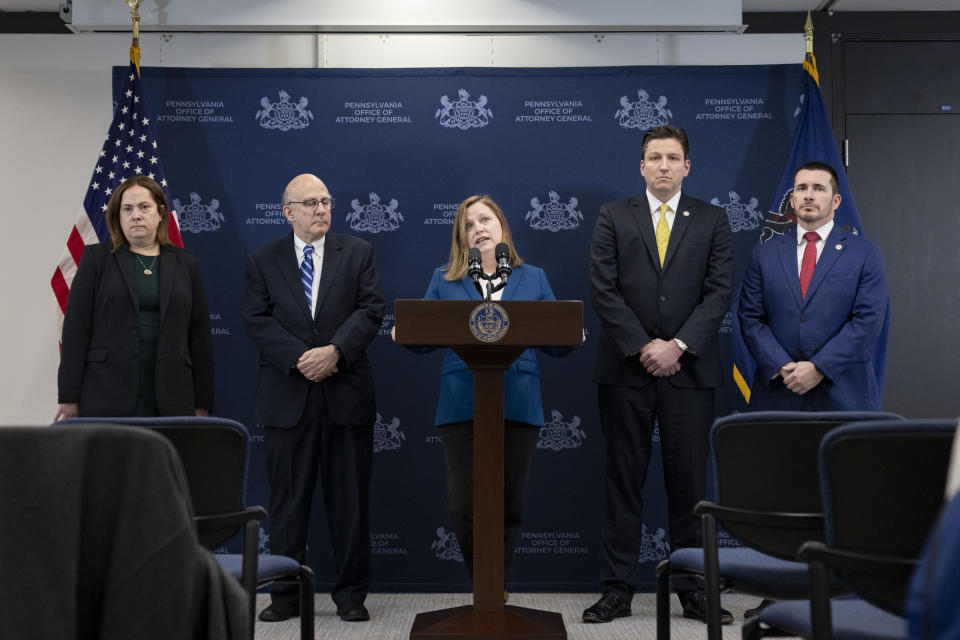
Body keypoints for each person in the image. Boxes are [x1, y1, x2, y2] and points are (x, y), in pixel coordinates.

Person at [586, 125, 734, 624]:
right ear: (642, 166)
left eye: (674, 157)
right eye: (655, 157)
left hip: (689, 372)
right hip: (626, 370)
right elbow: (603, 288)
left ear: (687, 166)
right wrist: (644, 346)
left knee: (689, 485)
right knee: (621, 481)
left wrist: (678, 346)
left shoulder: (713, 219)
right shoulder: (612, 216)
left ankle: (693, 591)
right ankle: (616, 590)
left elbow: (718, 293)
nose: (664, 165)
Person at [396, 195, 572, 585]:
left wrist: (569, 329)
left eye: (485, 220)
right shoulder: (445, 278)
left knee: (511, 504)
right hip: (462, 401)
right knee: (463, 506)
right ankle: (485, 585)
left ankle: (497, 589)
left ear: (502, 227)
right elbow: (420, 336)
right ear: (462, 239)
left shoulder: (534, 277)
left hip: (519, 400)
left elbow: (559, 341)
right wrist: (404, 329)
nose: (478, 228)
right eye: (468, 225)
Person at [242, 173, 384, 624]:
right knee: (287, 503)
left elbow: (371, 309)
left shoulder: (358, 252)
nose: (321, 210)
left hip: (346, 395)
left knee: (350, 502)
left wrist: (336, 351)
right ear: (288, 212)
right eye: (310, 203)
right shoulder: (263, 260)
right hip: (288, 397)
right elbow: (256, 319)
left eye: (326, 201)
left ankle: (351, 596)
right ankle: (284, 597)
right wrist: (303, 358)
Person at [56, 175, 214, 420]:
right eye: (127, 209)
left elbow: (199, 337)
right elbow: (76, 330)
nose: (135, 215)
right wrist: (68, 396)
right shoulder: (96, 260)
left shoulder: (186, 263)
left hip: (173, 397)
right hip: (106, 393)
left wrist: (203, 402)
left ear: (160, 212)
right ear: (117, 216)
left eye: (144, 207)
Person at [739, 161, 887, 411]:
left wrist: (819, 368)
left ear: (836, 201)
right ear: (793, 199)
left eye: (819, 188)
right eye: (801, 188)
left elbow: (867, 320)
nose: (809, 194)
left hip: (844, 393)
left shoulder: (865, 254)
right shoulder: (763, 254)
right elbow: (751, 318)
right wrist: (783, 367)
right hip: (779, 392)